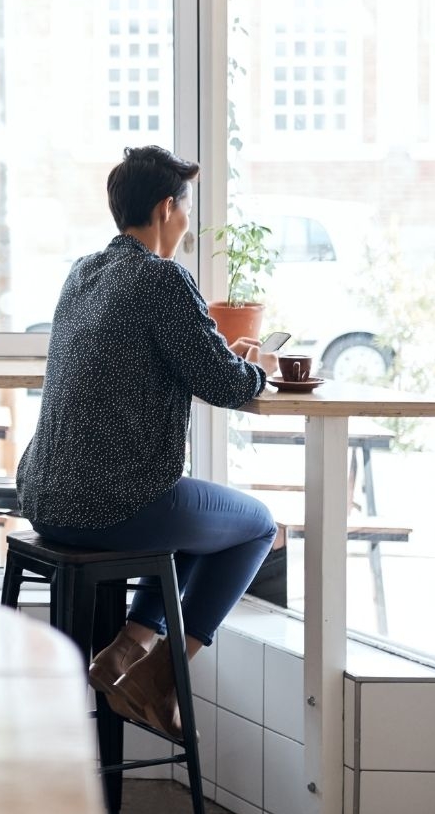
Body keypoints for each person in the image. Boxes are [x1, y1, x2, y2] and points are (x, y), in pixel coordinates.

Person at [16, 145, 278, 739]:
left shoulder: (84, 272)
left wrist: (216, 358)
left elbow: (158, 359)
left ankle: (127, 646)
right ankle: (160, 675)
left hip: (45, 499)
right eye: (185, 209)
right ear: (166, 209)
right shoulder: (162, 279)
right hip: (109, 507)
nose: (187, 223)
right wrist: (254, 365)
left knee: (200, 516)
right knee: (258, 525)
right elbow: (226, 386)